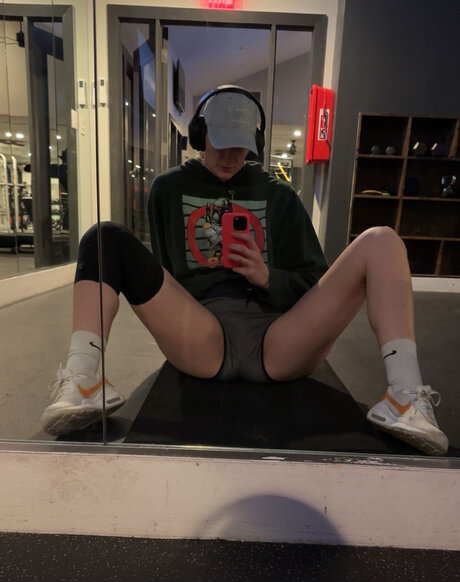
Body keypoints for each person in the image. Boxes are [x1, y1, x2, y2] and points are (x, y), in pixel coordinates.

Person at [41, 85, 448, 456]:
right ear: (200, 136)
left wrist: (268, 277)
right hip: (201, 332)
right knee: (104, 237)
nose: (231, 156)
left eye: (241, 146)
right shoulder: (167, 189)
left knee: (381, 240)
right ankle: (82, 379)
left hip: (280, 338)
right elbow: (168, 275)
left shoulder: (281, 196)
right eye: (221, 143)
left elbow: (314, 282)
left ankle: (406, 397)